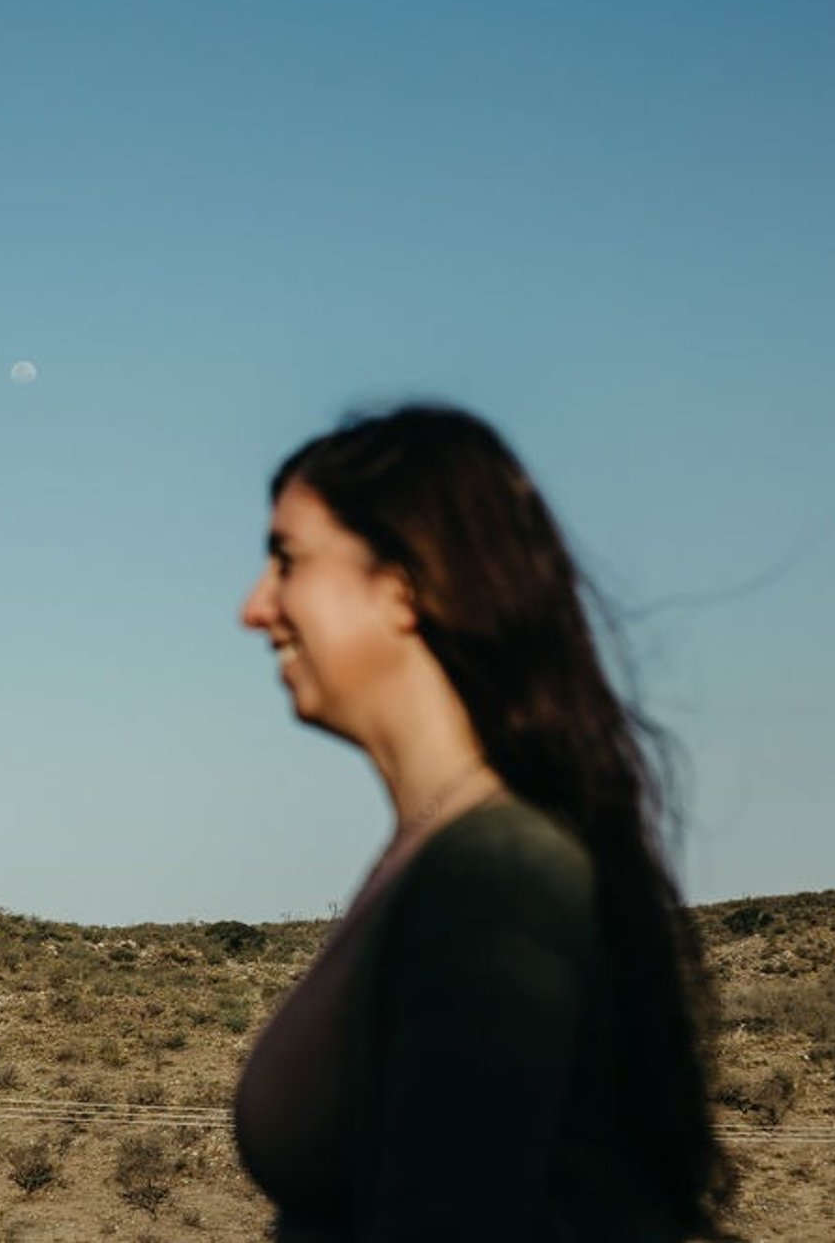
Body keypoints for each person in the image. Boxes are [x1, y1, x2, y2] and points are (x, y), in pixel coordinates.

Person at [230, 404, 733, 1240]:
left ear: (403, 584)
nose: (255, 608)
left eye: (286, 561)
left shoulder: (498, 876)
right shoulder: (436, 853)